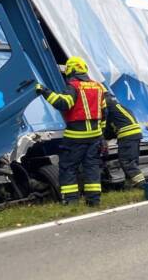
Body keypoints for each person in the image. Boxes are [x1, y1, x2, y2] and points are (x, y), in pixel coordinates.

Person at [36, 56, 107, 206]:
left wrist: (45, 91)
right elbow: (104, 112)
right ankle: (94, 201)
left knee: (68, 168)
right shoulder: (98, 87)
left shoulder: (73, 86)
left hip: (75, 137)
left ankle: (71, 201)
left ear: (70, 70)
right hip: (95, 136)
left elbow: (63, 103)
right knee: (92, 167)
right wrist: (101, 135)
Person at [104, 91, 145, 187]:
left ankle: (142, 185)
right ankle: (131, 185)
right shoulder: (117, 106)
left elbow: (108, 128)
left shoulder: (107, 105)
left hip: (127, 136)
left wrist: (102, 137)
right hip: (135, 134)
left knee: (127, 162)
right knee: (132, 162)